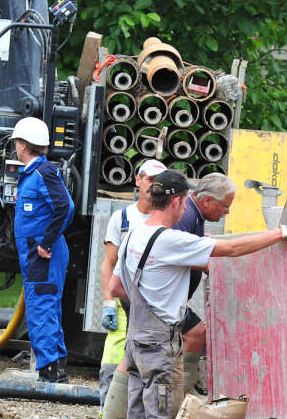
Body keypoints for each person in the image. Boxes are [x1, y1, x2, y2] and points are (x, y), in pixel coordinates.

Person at [109, 170, 287, 418]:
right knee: (161, 412)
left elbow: (116, 288)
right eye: (186, 201)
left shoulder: (132, 233)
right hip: (160, 348)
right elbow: (232, 248)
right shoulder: (171, 240)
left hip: (137, 340)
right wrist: (281, 233)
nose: (186, 207)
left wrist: (151, 303)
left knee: (137, 411)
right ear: (176, 202)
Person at [101, 159, 167, 418]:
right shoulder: (123, 218)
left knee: (146, 367)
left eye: (158, 182)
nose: (154, 186)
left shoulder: (165, 219)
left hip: (151, 305)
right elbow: (109, 263)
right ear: (138, 180)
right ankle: (107, 409)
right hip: (122, 299)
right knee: (114, 359)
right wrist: (108, 302)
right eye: (150, 180)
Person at [11, 116, 74, 382]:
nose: (15, 147)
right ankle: (56, 369)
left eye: (16, 142)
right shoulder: (34, 173)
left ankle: (50, 373)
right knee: (46, 307)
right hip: (37, 254)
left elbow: (65, 208)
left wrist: (46, 243)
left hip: (42, 255)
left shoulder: (43, 172)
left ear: (24, 145)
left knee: (42, 308)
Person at [170, 173, 237, 397]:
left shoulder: (195, 216)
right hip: (163, 299)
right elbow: (175, 254)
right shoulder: (187, 216)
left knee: (195, 335)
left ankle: (178, 396)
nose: (227, 212)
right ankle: (177, 400)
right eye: (225, 206)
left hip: (172, 298)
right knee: (195, 334)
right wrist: (208, 262)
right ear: (207, 200)